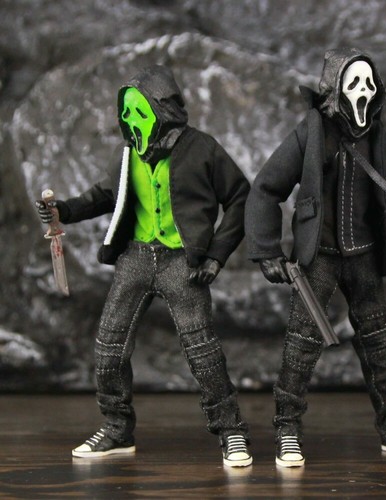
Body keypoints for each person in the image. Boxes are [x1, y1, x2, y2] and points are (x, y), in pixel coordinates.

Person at [36, 65, 252, 467]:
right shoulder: (127, 156)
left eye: (139, 111)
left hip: (182, 262)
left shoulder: (202, 149)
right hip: (135, 258)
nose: (130, 120)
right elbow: (104, 195)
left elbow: (241, 197)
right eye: (126, 112)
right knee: (109, 347)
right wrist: (63, 210)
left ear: (162, 110)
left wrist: (216, 255)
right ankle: (117, 427)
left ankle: (231, 430)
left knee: (203, 351)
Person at [245, 48, 386, 467]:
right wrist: (266, 249)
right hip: (319, 258)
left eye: (369, 83)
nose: (363, 91)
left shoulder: (379, 140)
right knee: (301, 344)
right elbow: (265, 188)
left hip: (364, 257)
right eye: (354, 84)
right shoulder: (312, 132)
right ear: (335, 89)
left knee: (378, 344)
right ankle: (287, 428)